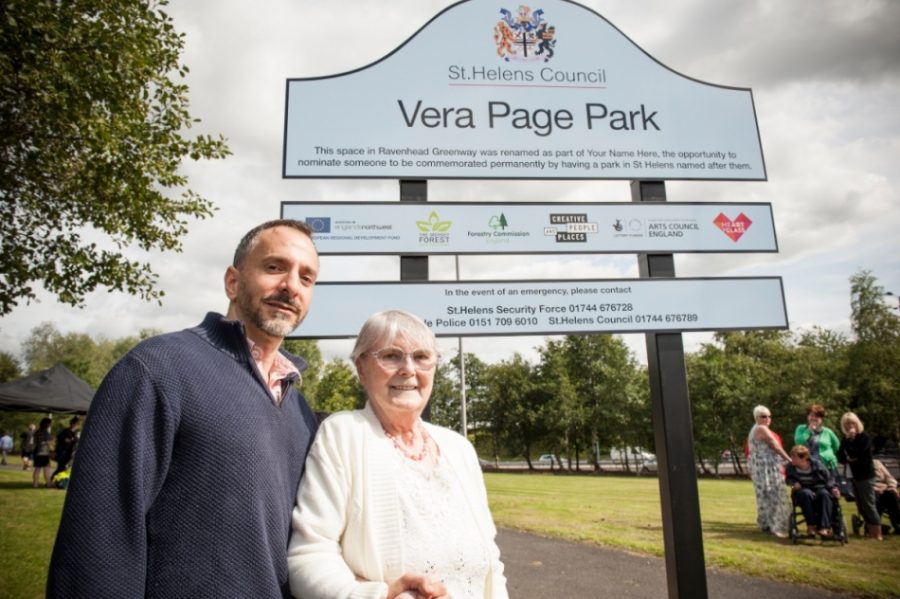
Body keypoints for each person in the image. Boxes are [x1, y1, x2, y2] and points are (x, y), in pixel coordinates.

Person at [47, 219, 322, 598]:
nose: (291, 286)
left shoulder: (300, 409)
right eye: (274, 267)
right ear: (233, 281)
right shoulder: (158, 368)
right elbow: (99, 534)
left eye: (306, 278)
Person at [288, 310, 508, 599]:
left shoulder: (459, 448)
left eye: (421, 357)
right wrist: (379, 596)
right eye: (391, 356)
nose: (408, 369)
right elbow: (309, 557)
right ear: (361, 368)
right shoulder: (343, 434)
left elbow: (492, 563)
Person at [746, 405, 792, 538]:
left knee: (764, 495)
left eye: (769, 416)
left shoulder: (755, 428)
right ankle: (774, 525)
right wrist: (789, 460)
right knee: (773, 494)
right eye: (763, 416)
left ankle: (765, 524)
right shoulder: (761, 429)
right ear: (756, 418)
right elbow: (776, 446)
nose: (767, 419)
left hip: (761, 467)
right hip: (766, 468)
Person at [837, 412, 882, 540]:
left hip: (865, 476)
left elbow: (858, 454)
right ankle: (869, 531)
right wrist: (848, 448)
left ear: (857, 424)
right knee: (861, 505)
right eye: (847, 425)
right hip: (853, 476)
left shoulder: (864, 438)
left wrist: (850, 449)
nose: (850, 427)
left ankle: (877, 533)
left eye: (852, 424)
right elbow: (841, 456)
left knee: (869, 504)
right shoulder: (845, 440)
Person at [785, 444, 841, 537]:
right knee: (806, 494)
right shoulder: (790, 467)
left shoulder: (817, 464)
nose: (792, 459)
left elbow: (829, 478)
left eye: (794, 457)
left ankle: (824, 527)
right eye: (792, 456)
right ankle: (811, 526)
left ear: (803, 458)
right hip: (802, 491)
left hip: (819, 488)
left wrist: (834, 488)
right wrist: (793, 485)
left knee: (824, 495)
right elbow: (788, 481)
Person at [794, 403, 841, 472]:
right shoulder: (801, 429)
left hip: (826, 466)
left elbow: (837, 446)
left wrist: (827, 455)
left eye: (817, 416)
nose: (814, 418)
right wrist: (809, 430)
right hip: (806, 466)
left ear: (821, 419)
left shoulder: (828, 432)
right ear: (808, 417)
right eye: (811, 415)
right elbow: (798, 442)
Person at [872, 458, 900, 535]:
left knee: (892, 494)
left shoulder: (876, 462)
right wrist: (875, 488)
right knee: (876, 497)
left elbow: (889, 477)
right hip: (871, 489)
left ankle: (897, 524)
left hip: (885, 487)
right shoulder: (857, 464)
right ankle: (875, 525)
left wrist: (892, 486)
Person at [50, 416, 80, 482]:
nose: (78, 426)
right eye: (77, 424)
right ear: (73, 424)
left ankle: (59, 481)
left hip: (68, 454)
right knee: (61, 468)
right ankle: (51, 480)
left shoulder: (73, 433)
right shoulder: (66, 432)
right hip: (63, 453)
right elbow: (66, 440)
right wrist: (73, 440)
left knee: (63, 468)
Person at [32, 417, 54, 488]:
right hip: (44, 452)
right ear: (47, 424)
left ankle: (35, 484)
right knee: (47, 468)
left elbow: (36, 441)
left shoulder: (37, 432)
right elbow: (47, 442)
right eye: (50, 424)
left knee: (37, 468)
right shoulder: (45, 432)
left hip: (37, 451)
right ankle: (48, 483)